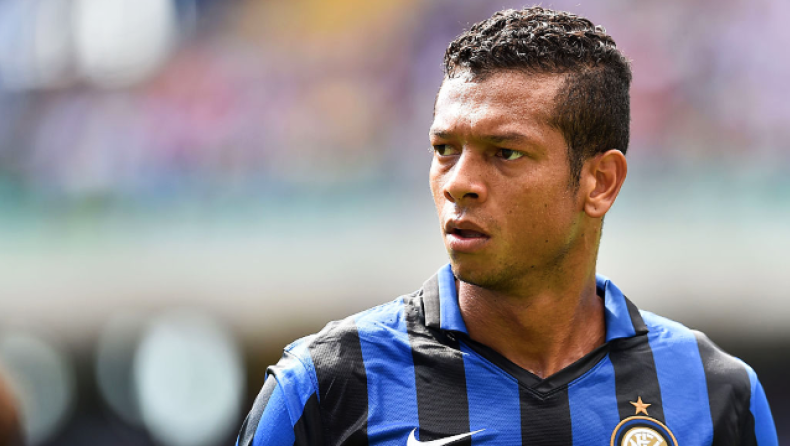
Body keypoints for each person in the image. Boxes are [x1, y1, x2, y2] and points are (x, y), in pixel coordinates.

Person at [237, 7, 778, 446]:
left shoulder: (715, 393)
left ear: (600, 182)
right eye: (445, 149)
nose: (459, 183)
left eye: (506, 152)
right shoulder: (324, 387)